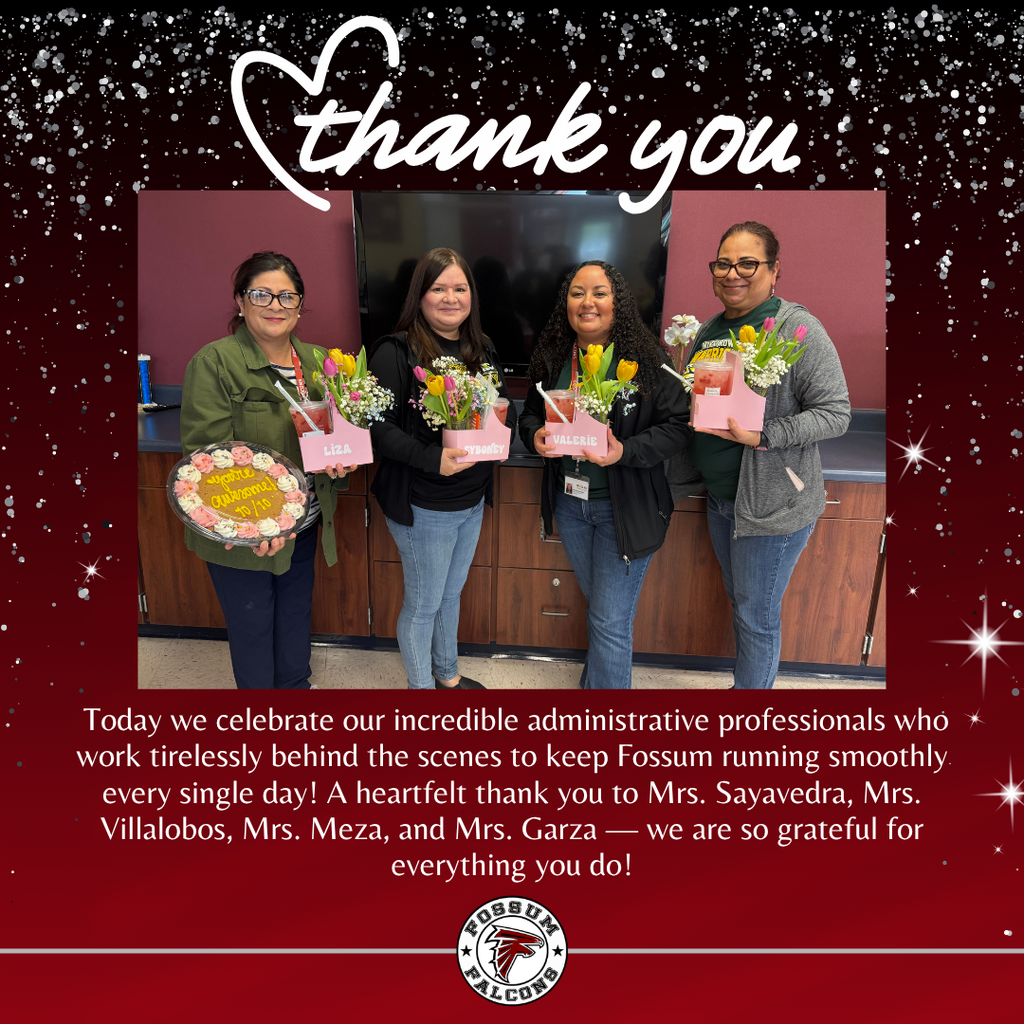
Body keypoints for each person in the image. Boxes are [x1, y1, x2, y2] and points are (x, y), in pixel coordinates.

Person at [668, 221, 851, 689]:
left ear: (774, 271)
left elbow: (836, 413)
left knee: (756, 616)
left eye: (748, 262)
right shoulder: (708, 332)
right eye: (724, 263)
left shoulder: (797, 329)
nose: (733, 273)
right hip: (722, 500)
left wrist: (763, 433)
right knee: (744, 604)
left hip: (771, 507)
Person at [180, 251, 355, 690]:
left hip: (304, 522)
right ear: (240, 301)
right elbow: (207, 461)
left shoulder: (320, 362)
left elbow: (333, 436)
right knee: (253, 625)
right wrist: (252, 522)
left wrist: (343, 459)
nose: (275, 305)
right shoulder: (214, 362)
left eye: (287, 296)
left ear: (300, 305)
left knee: (295, 614)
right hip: (243, 529)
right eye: (262, 294)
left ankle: (296, 689)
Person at [518, 260, 689, 689]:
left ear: (619, 303)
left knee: (610, 620)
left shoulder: (647, 360)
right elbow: (530, 415)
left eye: (599, 292)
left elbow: (678, 427)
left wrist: (626, 451)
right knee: (603, 610)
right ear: (566, 303)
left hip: (625, 510)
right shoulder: (554, 355)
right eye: (577, 292)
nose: (587, 302)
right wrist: (534, 435)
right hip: (571, 504)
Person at [368, 247, 518, 690]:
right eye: (438, 288)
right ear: (420, 296)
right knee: (423, 603)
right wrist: (432, 458)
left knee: (449, 595)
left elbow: (500, 406)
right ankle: (421, 690)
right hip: (423, 504)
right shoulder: (395, 351)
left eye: (460, 287)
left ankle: (447, 676)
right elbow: (377, 428)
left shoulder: (482, 347)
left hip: (471, 498)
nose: (450, 297)